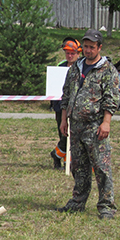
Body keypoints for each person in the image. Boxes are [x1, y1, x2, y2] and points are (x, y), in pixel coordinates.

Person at [58, 29, 119, 220]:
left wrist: (106, 122)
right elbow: (66, 94)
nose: (88, 50)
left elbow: (111, 98)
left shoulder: (107, 69)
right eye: (85, 47)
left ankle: (106, 206)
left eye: (92, 47)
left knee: (101, 167)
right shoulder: (75, 67)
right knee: (78, 166)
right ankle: (77, 202)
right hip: (75, 125)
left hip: (95, 125)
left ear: (99, 47)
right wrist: (64, 119)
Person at [50, 37, 81, 170]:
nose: (69, 56)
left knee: (74, 137)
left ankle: (61, 158)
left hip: (77, 107)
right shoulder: (60, 66)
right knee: (64, 135)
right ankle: (59, 158)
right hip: (60, 107)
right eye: (67, 53)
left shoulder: (82, 67)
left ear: (78, 54)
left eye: (72, 53)